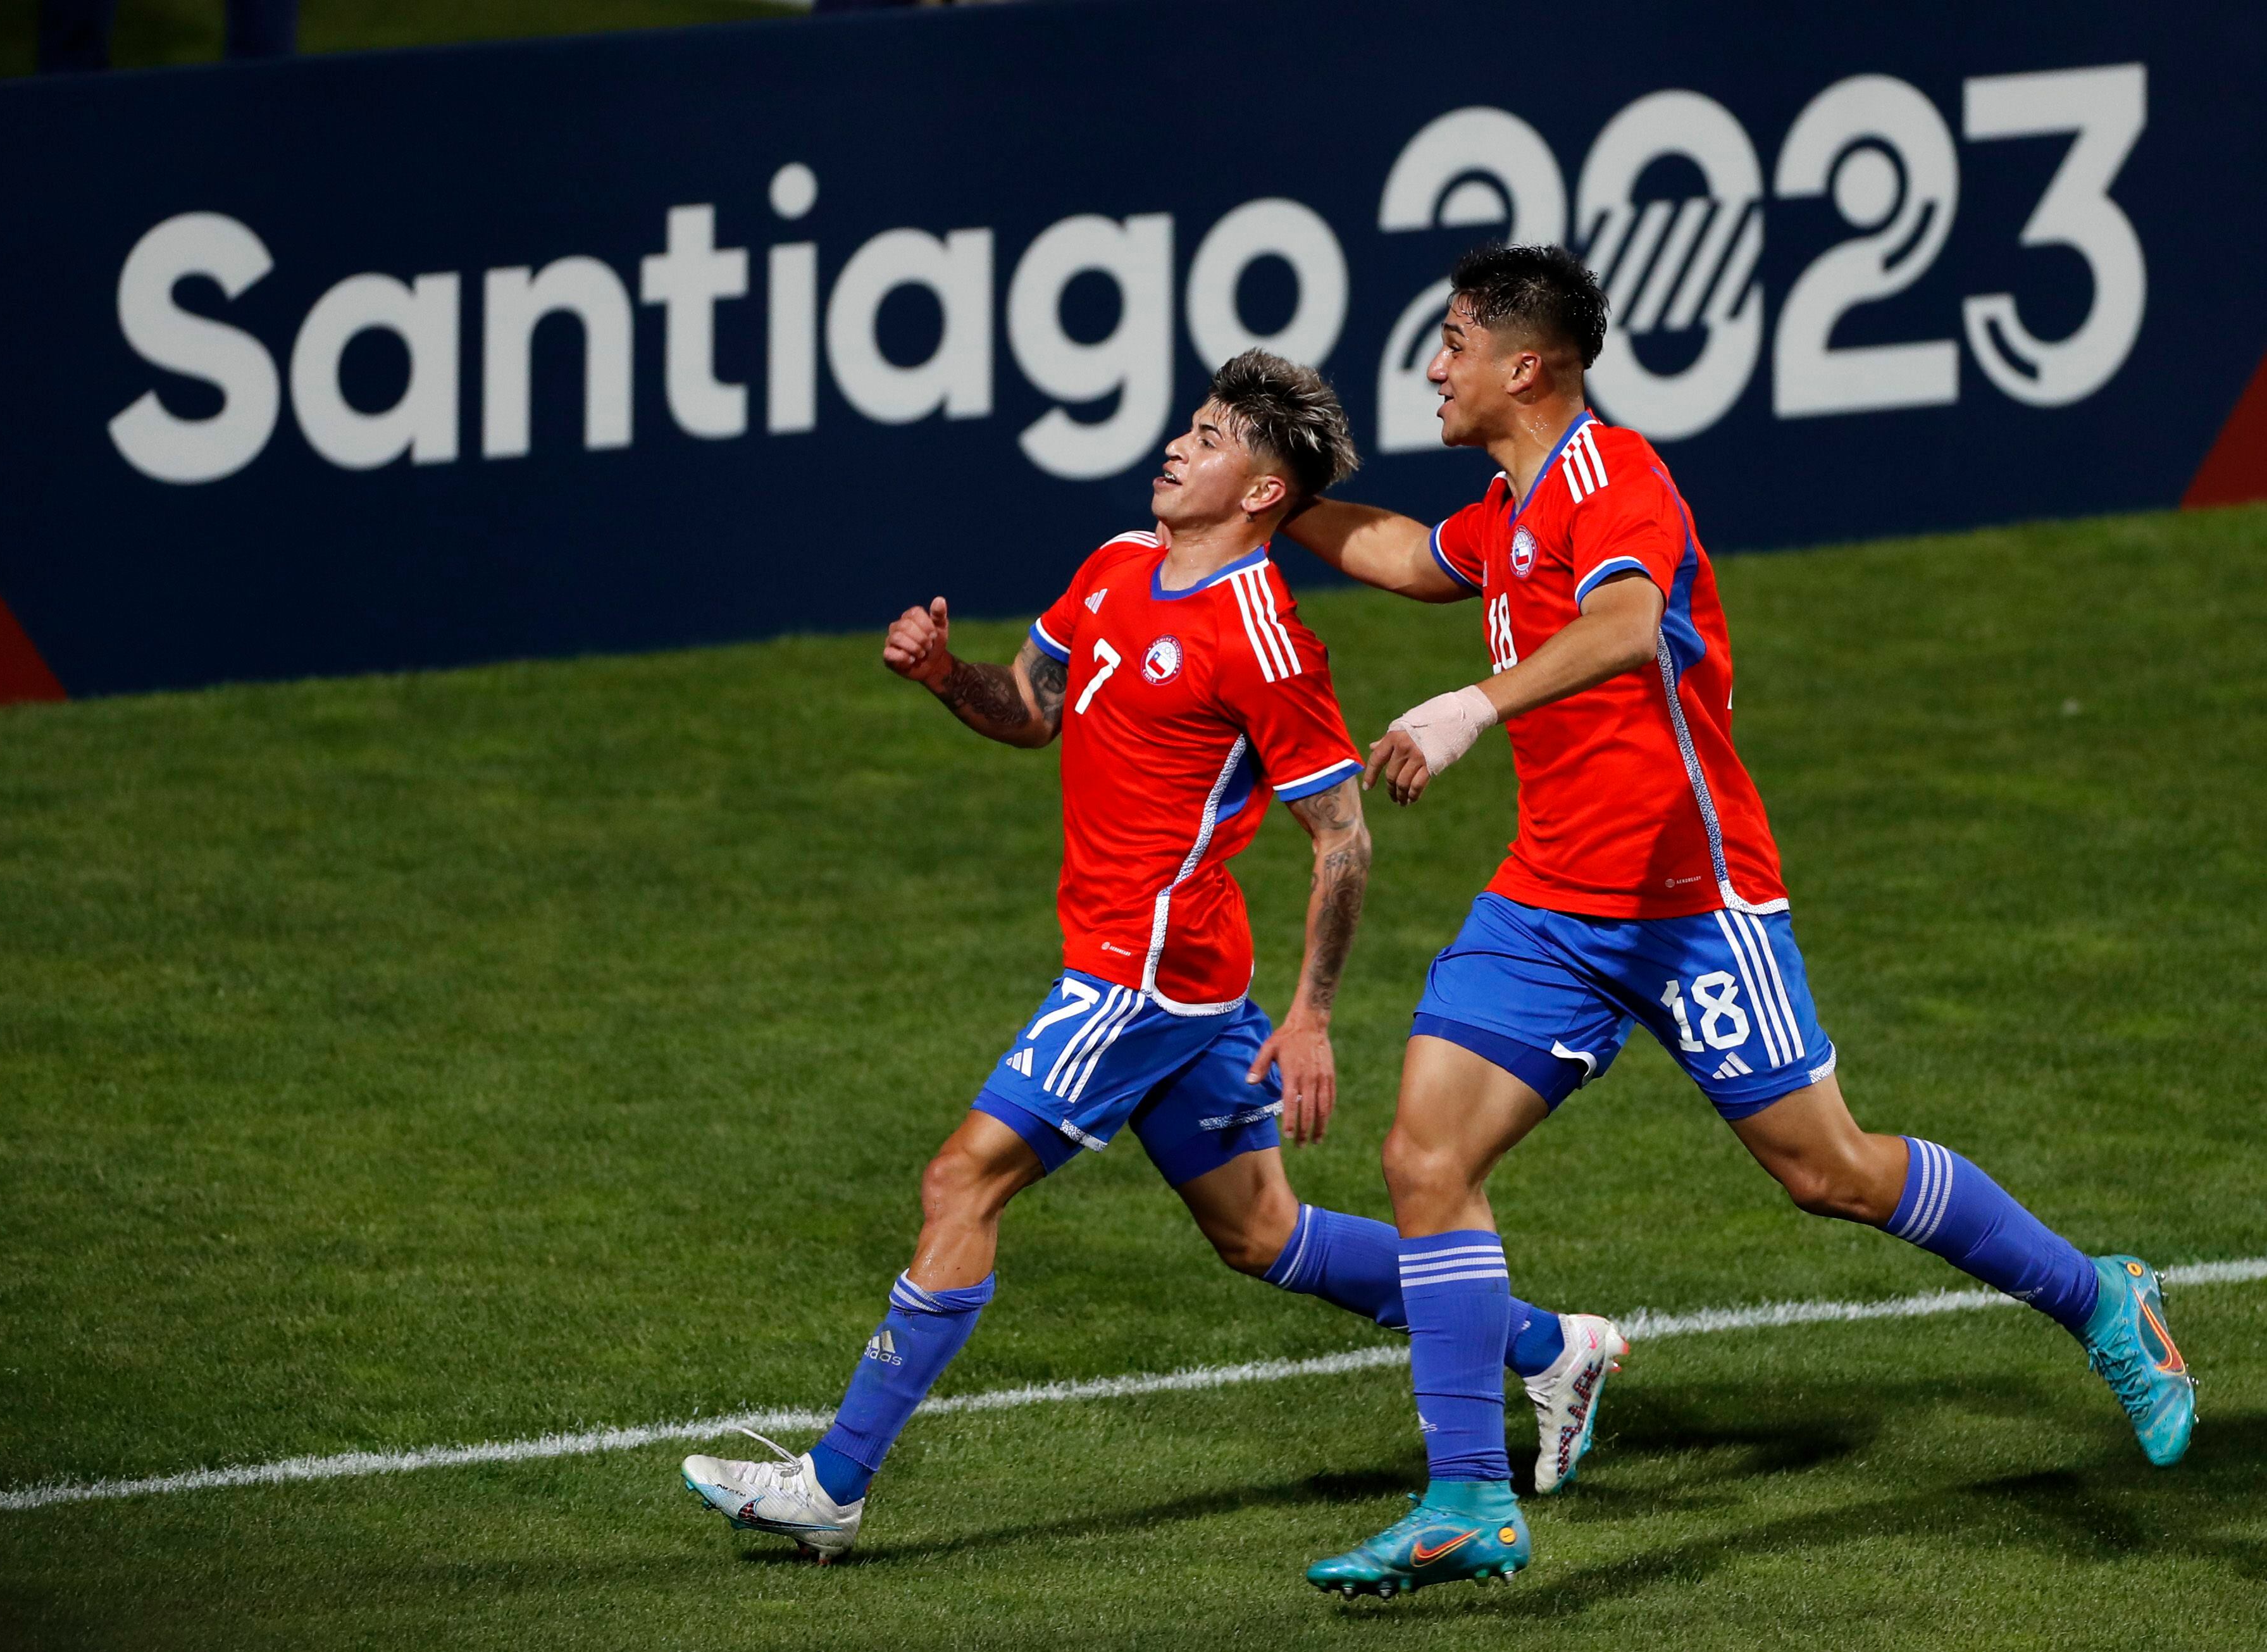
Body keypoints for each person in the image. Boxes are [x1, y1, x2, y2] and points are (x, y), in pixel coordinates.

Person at [1274, 244, 2197, 1599]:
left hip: (1690, 900)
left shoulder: (1612, 478)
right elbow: (1417, 557)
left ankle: (2098, 1296)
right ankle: (1465, 1496)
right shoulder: (1510, 501)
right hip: (1548, 900)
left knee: (1825, 1170)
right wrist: (1283, 505)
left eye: (1454, 341)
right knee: (1422, 1159)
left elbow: (1630, 627)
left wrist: (1469, 707)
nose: (1432, 365)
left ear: (1522, 364)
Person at [680, 351, 1624, 1562]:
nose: (1180, 446)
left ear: (1263, 493)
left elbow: (1342, 839)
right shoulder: (1117, 567)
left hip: (1142, 977)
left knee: (958, 1184)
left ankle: (834, 1484)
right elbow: (1032, 707)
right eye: (1191, 424)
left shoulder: (1264, 640)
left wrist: (1316, 1017)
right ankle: (1554, 1347)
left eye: (1214, 436)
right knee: (1263, 1238)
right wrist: (940, 677)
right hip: (1181, 977)